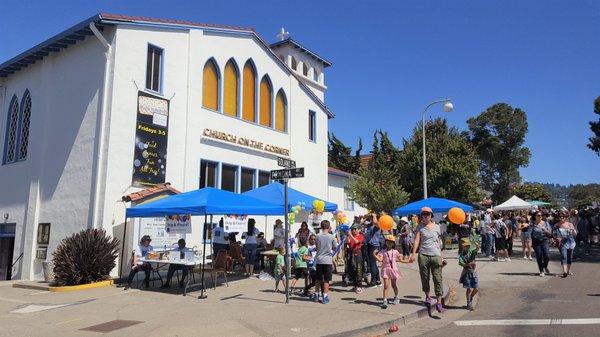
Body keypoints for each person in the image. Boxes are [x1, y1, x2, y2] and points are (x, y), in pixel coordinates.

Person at [410, 207, 446, 313]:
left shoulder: (437, 227)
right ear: (421, 216)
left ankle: (439, 302)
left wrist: (441, 256)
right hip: (423, 255)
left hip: (435, 255)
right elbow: (416, 241)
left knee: (438, 278)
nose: (426, 216)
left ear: (431, 215)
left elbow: (439, 243)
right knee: (425, 277)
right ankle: (428, 296)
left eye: (428, 214)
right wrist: (413, 254)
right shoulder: (419, 227)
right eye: (424, 214)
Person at [375, 234, 410, 309]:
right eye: (388, 241)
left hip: (393, 270)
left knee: (394, 285)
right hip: (385, 270)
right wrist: (374, 254)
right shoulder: (382, 251)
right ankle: (384, 300)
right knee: (386, 286)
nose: (389, 243)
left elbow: (401, 260)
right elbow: (380, 260)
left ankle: (396, 297)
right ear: (385, 242)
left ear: (393, 243)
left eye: (391, 242)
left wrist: (409, 261)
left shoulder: (396, 252)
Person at [312, 220, 337, 304]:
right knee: (326, 280)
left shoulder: (317, 236)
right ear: (328, 227)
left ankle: (316, 294)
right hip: (327, 260)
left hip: (319, 259)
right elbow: (334, 247)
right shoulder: (331, 236)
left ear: (321, 227)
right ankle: (325, 296)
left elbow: (317, 247)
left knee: (318, 279)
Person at [458, 238, 479, 311]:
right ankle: (469, 303)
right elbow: (461, 263)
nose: (467, 247)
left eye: (468, 246)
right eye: (466, 246)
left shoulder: (471, 252)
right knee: (469, 289)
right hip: (466, 273)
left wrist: (477, 244)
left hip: (473, 273)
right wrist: (468, 263)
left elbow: (476, 249)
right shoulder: (461, 255)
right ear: (462, 246)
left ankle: (471, 298)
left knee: (476, 288)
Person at [554, 212, 577, 278]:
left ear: (566, 217)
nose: (561, 218)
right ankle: (565, 272)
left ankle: (568, 270)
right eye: (560, 217)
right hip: (562, 243)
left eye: (563, 217)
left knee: (569, 257)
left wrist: (573, 231)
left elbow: (575, 234)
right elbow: (554, 234)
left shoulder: (570, 224)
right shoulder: (556, 225)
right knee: (564, 256)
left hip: (571, 243)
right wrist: (556, 238)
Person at [364, 213, 383, 288]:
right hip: (369, 244)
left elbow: (375, 222)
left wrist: (374, 215)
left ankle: (373, 282)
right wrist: (366, 217)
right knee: (373, 264)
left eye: (372, 218)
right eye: (370, 218)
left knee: (372, 264)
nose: (371, 219)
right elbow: (361, 223)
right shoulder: (369, 225)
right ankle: (378, 281)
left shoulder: (378, 225)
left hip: (374, 245)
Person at [531, 211, 553, 276]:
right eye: (538, 215)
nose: (540, 216)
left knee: (547, 256)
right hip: (536, 241)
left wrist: (545, 230)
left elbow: (550, 233)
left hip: (544, 240)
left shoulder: (546, 223)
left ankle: (545, 266)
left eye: (541, 215)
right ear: (535, 216)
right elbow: (530, 233)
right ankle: (541, 271)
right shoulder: (532, 224)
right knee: (539, 256)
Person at [346, 224, 365, 293]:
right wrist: (347, 236)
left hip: (358, 254)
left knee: (358, 269)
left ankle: (359, 286)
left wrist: (350, 235)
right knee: (352, 269)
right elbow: (348, 243)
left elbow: (357, 242)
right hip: (351, 254)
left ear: (358, 230)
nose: (353, 230)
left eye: (355, 229)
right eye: (352, 229)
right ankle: (355, 285)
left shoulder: (360, 236)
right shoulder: (351, 236)